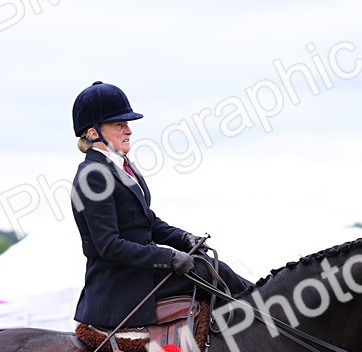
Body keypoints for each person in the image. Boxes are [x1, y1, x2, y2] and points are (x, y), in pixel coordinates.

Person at [69, 81, 253, 329]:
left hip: (141, 271)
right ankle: (267, 309)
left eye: (128, 124)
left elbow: (148, 222)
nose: (129, 131)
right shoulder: (93, 175)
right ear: (93, 133)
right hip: (121, 284)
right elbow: (109, 246)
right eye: (119, 125)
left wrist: (183, 238)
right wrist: (168, 257)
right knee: (209, 271)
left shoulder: (122, 167)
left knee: (208, 264)